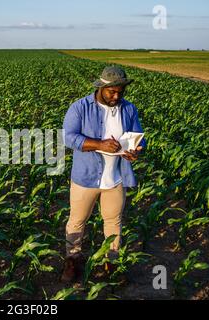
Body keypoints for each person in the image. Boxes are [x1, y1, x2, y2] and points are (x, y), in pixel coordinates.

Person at [61, 65, 147, 282]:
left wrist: (137, 150)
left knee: (113, 222)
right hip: (86, 177)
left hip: (116, 177)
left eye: (120, 91)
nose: (116, 96)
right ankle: (73, 260)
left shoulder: (129, 109)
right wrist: (99, 144)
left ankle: (112, 262)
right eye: (112, 92)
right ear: (101, 87)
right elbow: (69, 137)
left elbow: (139, 137)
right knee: (77, 222)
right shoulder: (80, 107)